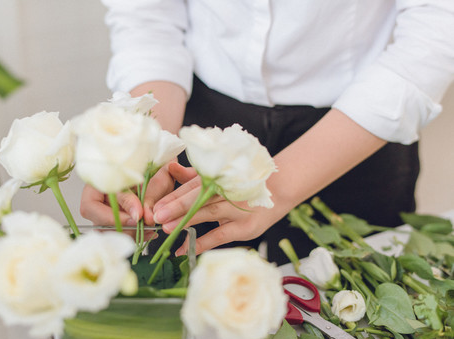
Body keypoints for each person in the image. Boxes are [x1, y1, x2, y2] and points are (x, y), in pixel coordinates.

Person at [80, 1, 454, 264]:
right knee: (193, 313)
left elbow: (437, 28)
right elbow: (147, 14)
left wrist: (280, 184)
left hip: (353, 131)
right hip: (195, 125)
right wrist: (146, 145)